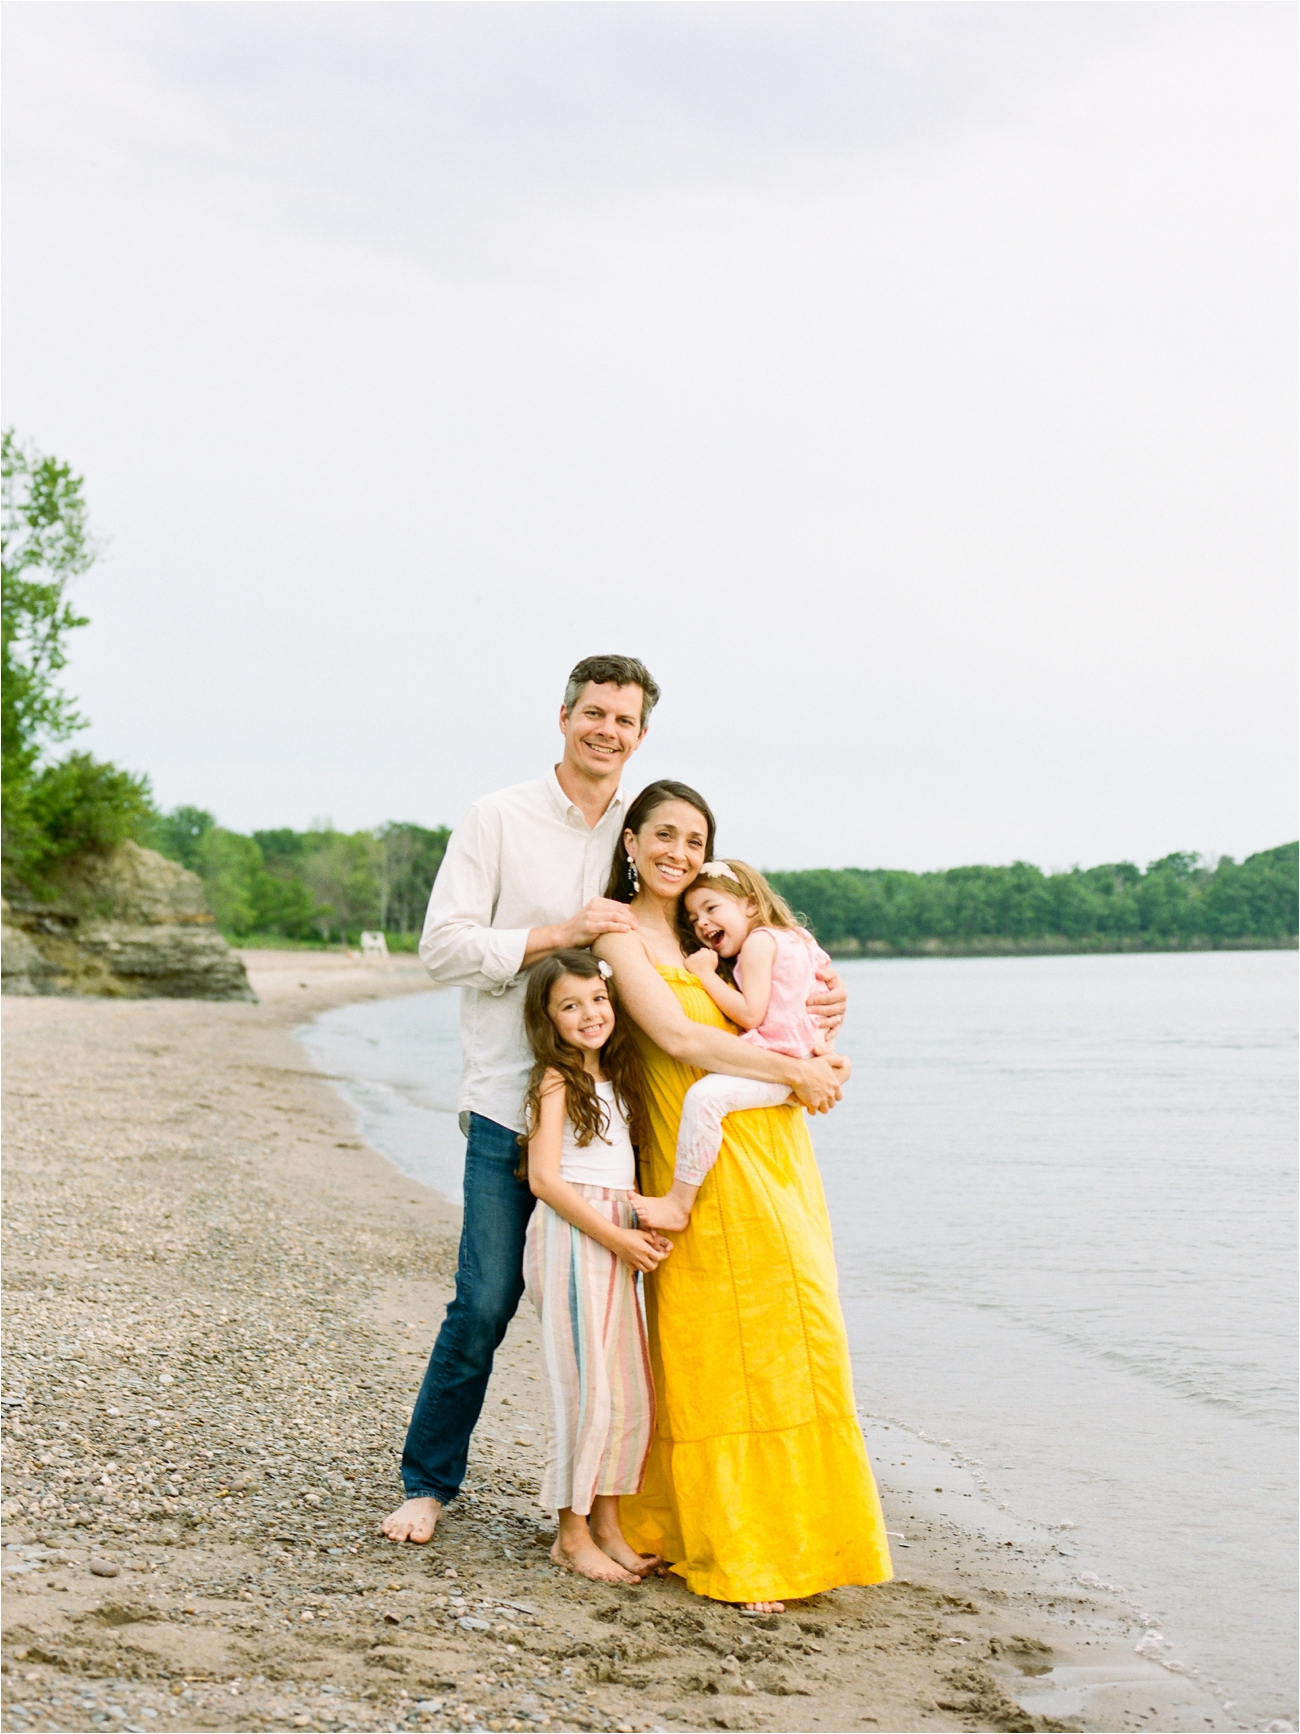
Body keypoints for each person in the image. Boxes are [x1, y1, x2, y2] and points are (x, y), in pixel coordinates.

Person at [382, 657, 848, 1546]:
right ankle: (427, 1484)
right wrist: (561, 933)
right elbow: (440, 948)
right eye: (593, 713)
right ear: (563, 717)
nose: (607, 730)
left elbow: (729, 966)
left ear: (641, 735)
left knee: (620, 1319)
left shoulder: (640, 841)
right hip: (508, 1095)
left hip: (616, 1118)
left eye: (625, 720)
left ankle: (610, 1505)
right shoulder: (499, 818)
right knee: (484, 1301)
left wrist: (822, 1004)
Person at [594, 782, 893, 1614]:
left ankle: (810, 1536)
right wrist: (799, 1071)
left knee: (803, 1329)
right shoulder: (619, 934)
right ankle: (745, 1542)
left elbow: (780, 1013)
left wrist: (825, 1040)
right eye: (664, 835)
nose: (678, 854)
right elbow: (685, 1039)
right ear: (631, 841)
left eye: (695, 840)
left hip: (774, 1148)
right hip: (699, 1158)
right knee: (723, 1349)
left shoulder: (720, 936)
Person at [519, 950, 667, 1585]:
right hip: (574, 1235)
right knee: (585, 1393)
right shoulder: (556, 1081)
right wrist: (617, 1237)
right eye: (570, 1006)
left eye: (598, 1000)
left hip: (615, 1234)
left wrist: (638, 1227)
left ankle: (608, 1524)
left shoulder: (620, 1077)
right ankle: (570, 1534)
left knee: (627, 1392)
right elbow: (547, 1180)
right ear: (549, 1020)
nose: (589, 1014)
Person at [632, 857, 835, 1234]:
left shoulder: (759, 942)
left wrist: (706, 975)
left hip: (779, 1059)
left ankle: (678, 1202)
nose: (702, 922)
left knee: (704, 1099)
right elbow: (822, 990)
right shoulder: (799, 938)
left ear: (750, 905)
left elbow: (750, 1014)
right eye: (693, 918)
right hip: (801, 1056)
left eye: (711, 908)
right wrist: (825, 1051)